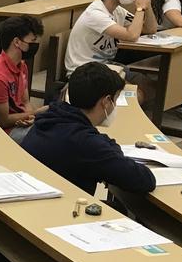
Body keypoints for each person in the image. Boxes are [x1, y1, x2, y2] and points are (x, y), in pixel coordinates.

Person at [22, 62, 157, 195]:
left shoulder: (52, 117)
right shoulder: (86, 143)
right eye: (114, 100)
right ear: (106, 101)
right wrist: (114, 151)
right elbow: (145, 180)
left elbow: (102, 143)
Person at [65, 0, 158, 77]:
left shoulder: (118, 11)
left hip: (105, 66)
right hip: (83, 72)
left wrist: (147, 6)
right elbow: (132, 35)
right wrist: (140, 8)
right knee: (137, 88)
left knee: (144, 82)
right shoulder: (95, 14)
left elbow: (151, 29)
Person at [0, 16, 46, 143]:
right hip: (4, 133)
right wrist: (36, 113)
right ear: (17, 42)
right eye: (32, 41)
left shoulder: (21, 65)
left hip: (19, 124)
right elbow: (3, 121)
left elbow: (25, 102)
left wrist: (30, 117)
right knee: (50, 138)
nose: (35, 45)